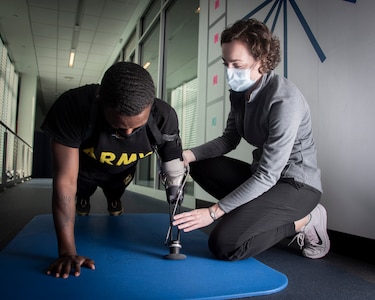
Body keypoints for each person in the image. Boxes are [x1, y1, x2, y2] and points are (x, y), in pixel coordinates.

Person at [173, 19, 330, 261]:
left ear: (262, 60)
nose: (229, 73)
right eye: (226, 64)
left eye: (237, 65)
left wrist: (215, 212)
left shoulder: (284, 100)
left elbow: (268, 175)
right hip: (266, 177)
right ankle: (248, 215)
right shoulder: (238, 93)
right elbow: (228, 140)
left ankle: (305, 220)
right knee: (200, 164)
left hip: (297, 185)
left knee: (223, 244)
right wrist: (187, 155)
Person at [41, 62, 185, 278]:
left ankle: (113, 198)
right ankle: (85, 199)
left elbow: (174, 169)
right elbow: (65, 182)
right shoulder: (73, 107)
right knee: (80, 194)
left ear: (150, 105)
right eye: (119, 125)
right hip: (83, 170)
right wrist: (67, 251)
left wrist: (175, 200)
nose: (128, 133)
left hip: (122, 171)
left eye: (136, 127)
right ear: (101, 103)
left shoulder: (164, 117)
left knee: (115, 194)